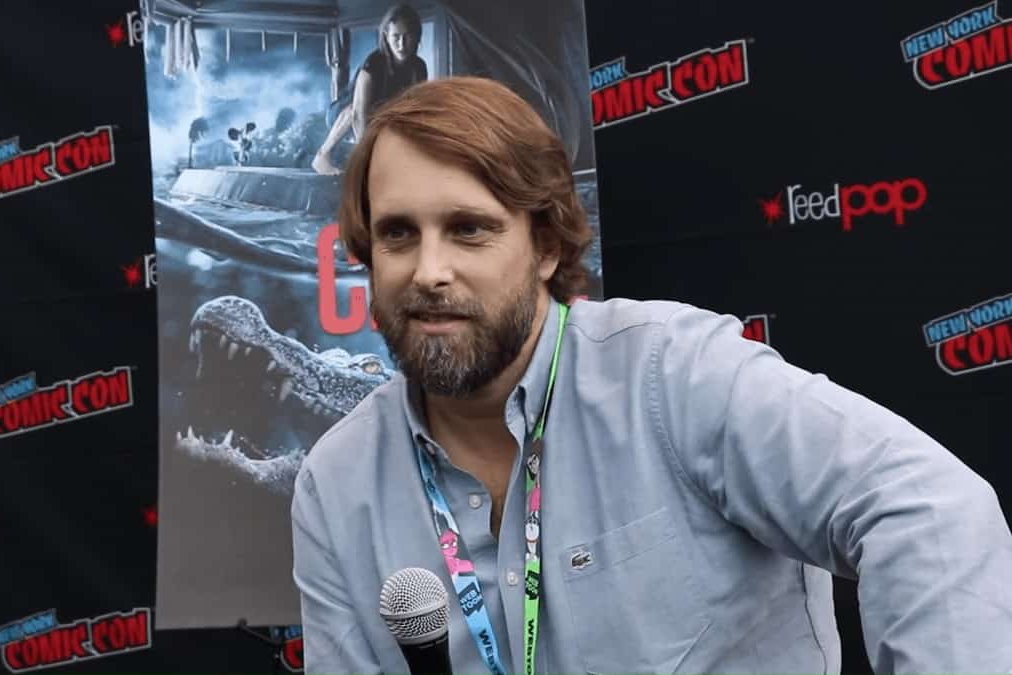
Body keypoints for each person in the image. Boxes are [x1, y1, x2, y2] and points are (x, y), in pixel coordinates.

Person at [290, 76, 1012, 673]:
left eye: (469, 229)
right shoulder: (337, 484)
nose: (429, 271)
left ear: (545, 247)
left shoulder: (673, 374)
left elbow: (930, 510)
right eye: (398, 234)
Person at [311, 3, 427, 176]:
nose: (401, 44)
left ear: (417, 36)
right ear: (386, 36)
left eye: (407, 36)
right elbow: (358, 115)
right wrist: (366, 161)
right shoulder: (373, 64)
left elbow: (415, 111)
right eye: (396, 37)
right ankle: (322, 155)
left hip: (381, 113)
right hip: (344, 114)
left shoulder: (418, 67)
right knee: (355, 109)